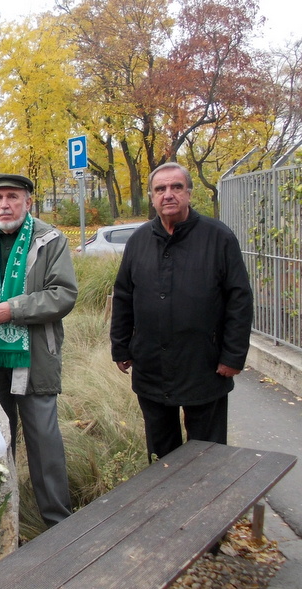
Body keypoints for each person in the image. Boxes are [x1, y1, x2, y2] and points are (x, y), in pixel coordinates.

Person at [0, 173, 77, 528]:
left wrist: (15, 309)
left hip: (34, 360)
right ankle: (1, 523)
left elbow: (63, 294)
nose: (5, 205)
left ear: (28, 202)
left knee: (44, 444)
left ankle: (58, 524)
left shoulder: (50, 240)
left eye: (13, 197)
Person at [111, 162, 253, 461]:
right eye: (160, 189)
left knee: (208, 454)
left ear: (189, 193)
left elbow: (239, 300)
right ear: (152, 197)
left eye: (176, 187)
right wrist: (121, 346)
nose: (168, 194)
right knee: (161, 455)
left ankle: (209, 492)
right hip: (151, 365)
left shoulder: (219, 237)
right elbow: (124, 296)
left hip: (204, 364)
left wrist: (233, 356)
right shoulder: (139, 241)